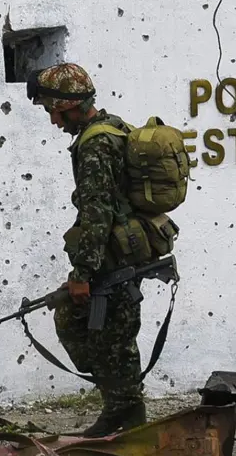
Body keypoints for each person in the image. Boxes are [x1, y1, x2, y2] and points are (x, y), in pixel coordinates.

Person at [27, 63, 146, 437]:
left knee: (109, 335)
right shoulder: (114, 126)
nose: (54, 121)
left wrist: (82, 274)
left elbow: (97, 212)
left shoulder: (95, 143)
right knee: (103, 332)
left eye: (55, 112)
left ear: (72, 105)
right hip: (119, 252)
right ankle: (121, 408)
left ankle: (128, 416)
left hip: (114, 258)